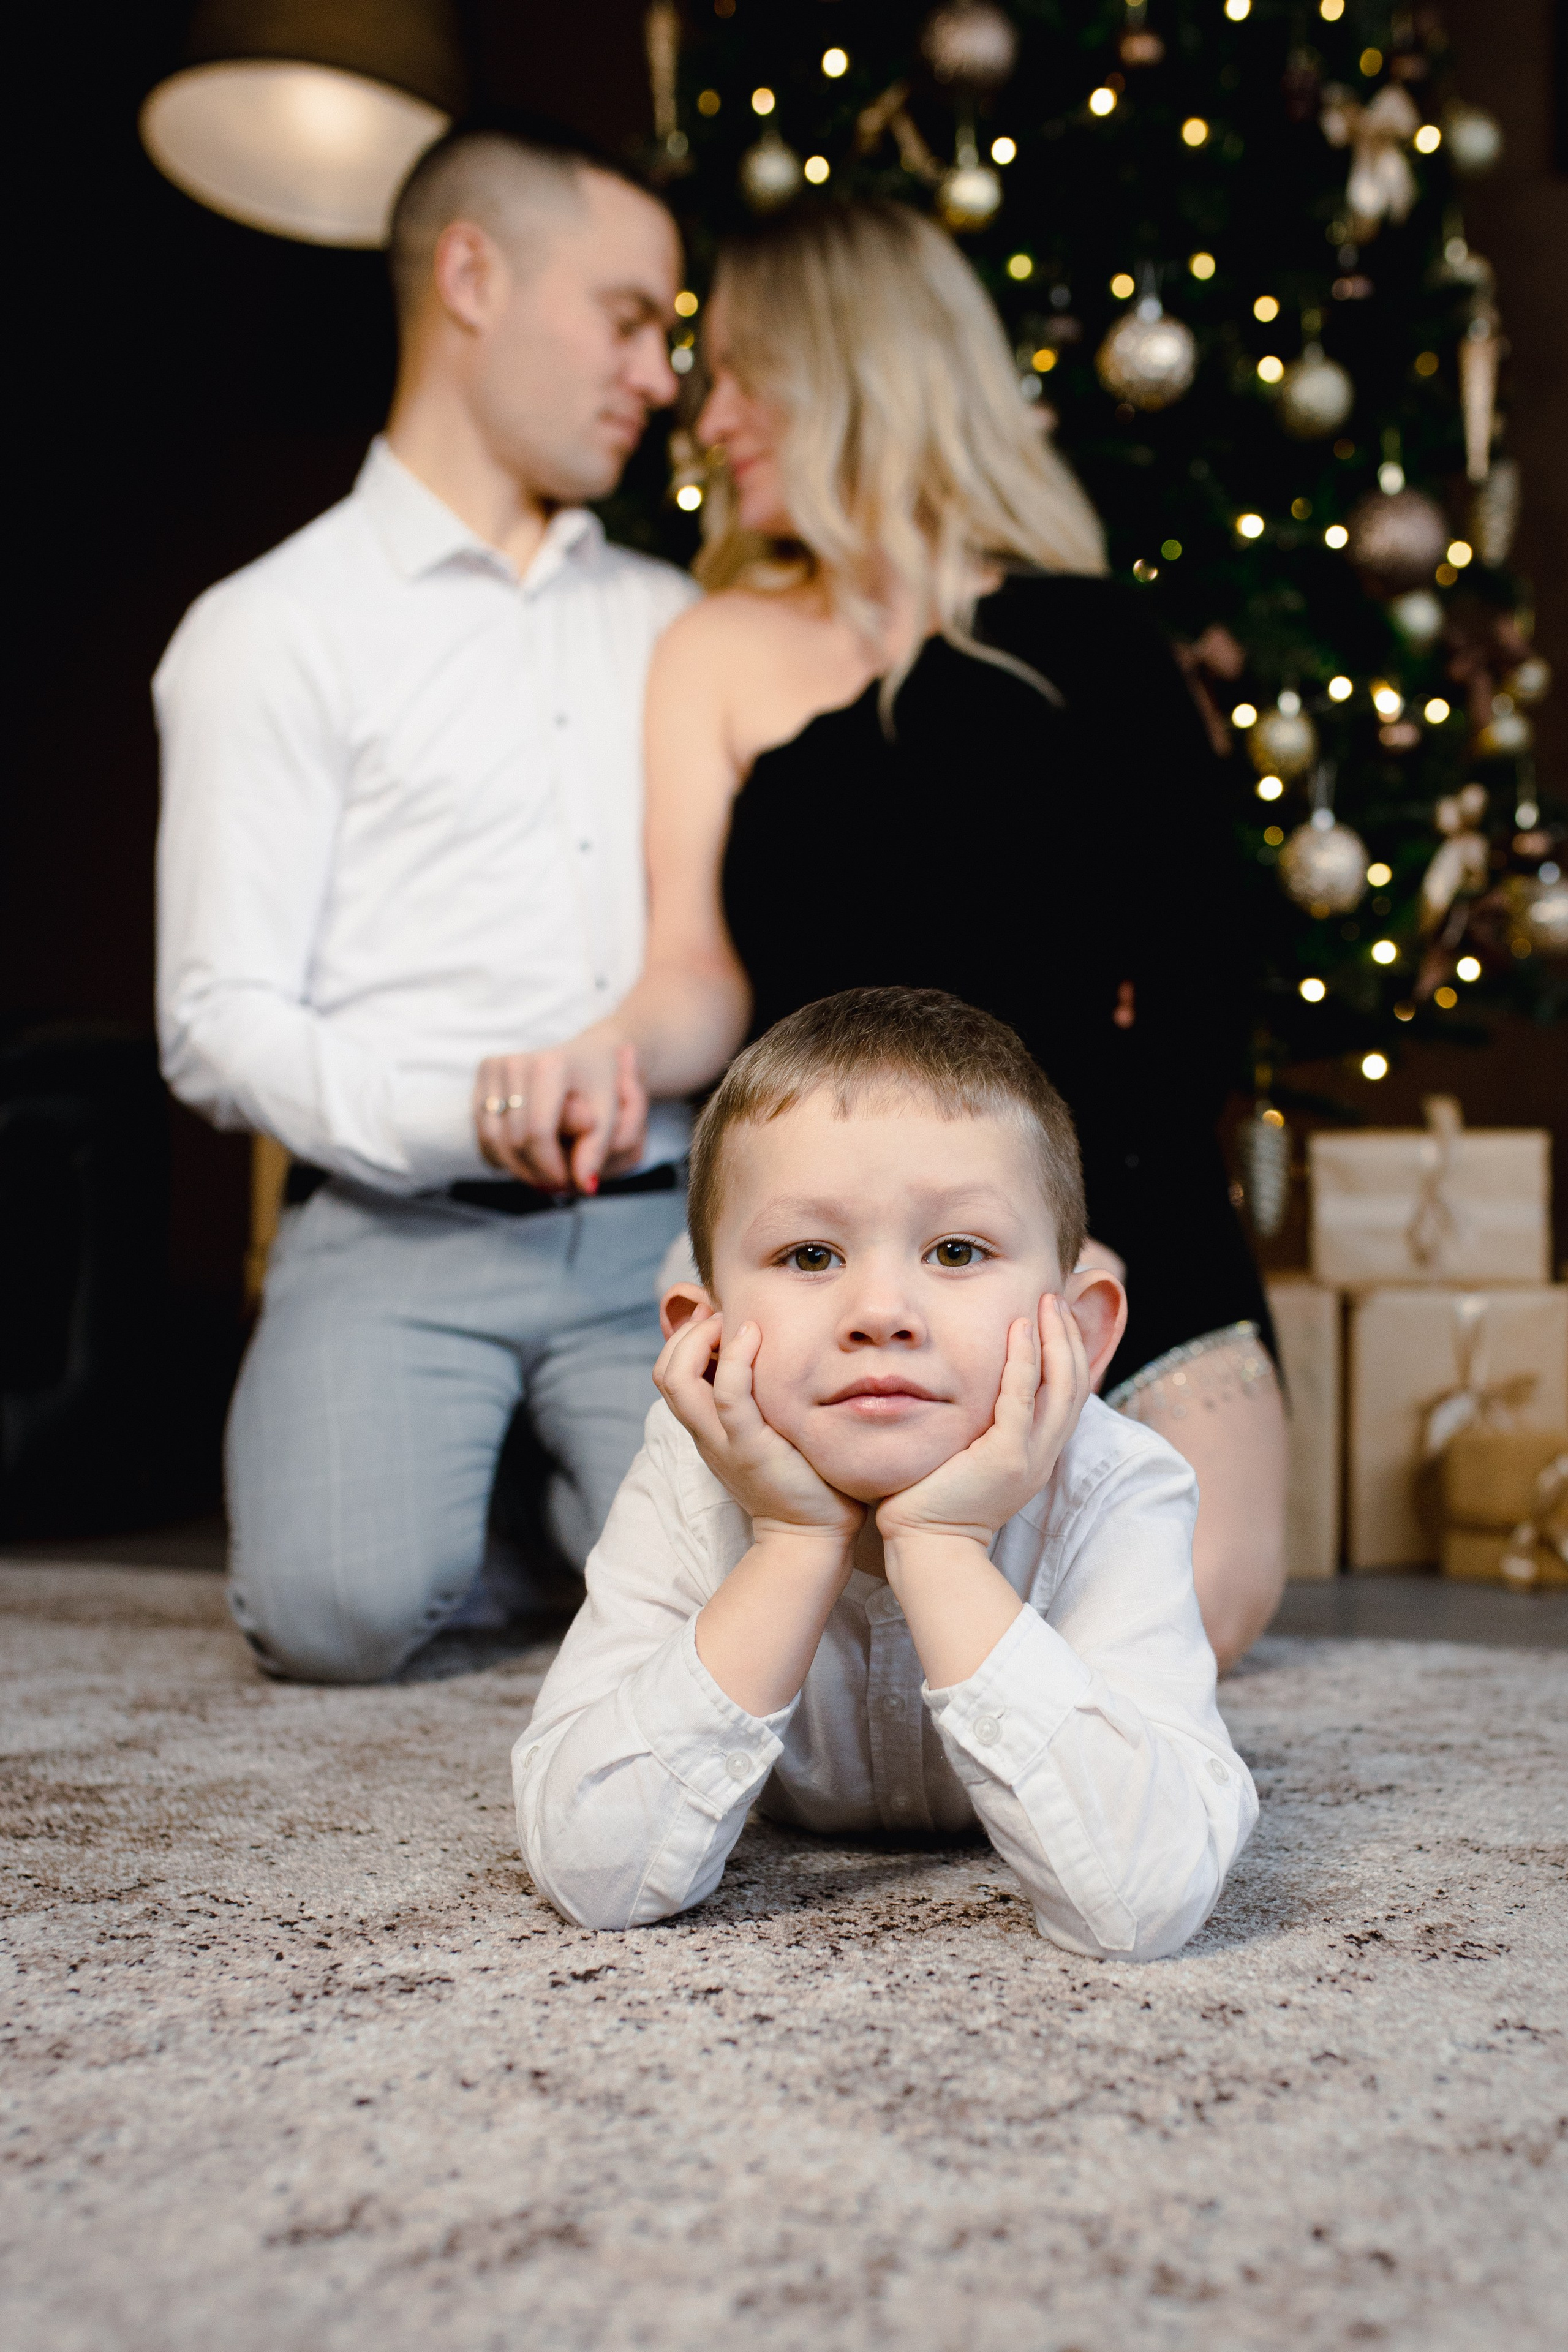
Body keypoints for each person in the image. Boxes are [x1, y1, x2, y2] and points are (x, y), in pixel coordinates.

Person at [507, 198, 1288, 1673]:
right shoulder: (712, 650)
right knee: (794, 1624)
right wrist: (604, 1047)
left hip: (1106, 1198)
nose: (705, 419)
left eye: (742, 377)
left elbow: (1197, 990)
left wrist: (1067, 1241)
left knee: (1195, 1603)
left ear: (855, 365)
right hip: (829, 1225)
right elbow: (696, 976)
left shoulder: (1089, 640)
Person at [154, 120, 710, 1684]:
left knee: (749, 1612)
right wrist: (461, 1109)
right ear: (471, 277)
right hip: (393, 1234)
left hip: (653, 1235)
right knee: (336, 1614)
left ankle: (531, 1495)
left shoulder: (674, 618)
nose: (659, 377)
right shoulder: (271, 627)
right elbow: (215, 1022)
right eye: (626, 320)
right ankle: (488, 1492)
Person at [514, 989, 1257, 1954]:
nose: (880, 1312)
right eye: (809, 1255)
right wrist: (791, 1542)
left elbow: (1148, 1899)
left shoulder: (1119, 1485)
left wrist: (942, 1547)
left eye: (956, 1250)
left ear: (1077, 1332)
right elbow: (594, 1872)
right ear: (706, 1336)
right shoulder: (686, 1472)